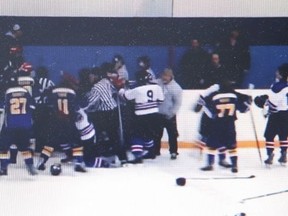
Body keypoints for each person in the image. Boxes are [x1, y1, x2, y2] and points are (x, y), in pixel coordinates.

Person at [197, 79, 251, 173]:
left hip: (217, 124)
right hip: (230, 125)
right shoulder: (234, 96)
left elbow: (209, 110)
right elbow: (244, 109)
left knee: (211, 144)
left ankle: (210, 164)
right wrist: (248, 104)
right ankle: (234, 165)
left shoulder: (214, 96)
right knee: (232, 146)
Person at [81, 62, 127, 163]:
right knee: (114, 135)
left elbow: (90, 103)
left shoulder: (96, 87)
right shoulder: (106, 81)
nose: (90, 77)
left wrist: (82, 109)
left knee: (97, 133)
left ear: (96, 76)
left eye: (91, 75)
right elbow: (114, 90)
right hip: (113, 111)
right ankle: (121, 156)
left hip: (106, 114)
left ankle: (96, 154)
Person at [37, 78, 86, 172]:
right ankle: (79, 163)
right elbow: (77, 107)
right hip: (69, 121)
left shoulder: (53, 93)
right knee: (76, 142)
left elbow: (47, 103)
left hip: (56, 121)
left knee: (50, 144)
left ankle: (41, 162)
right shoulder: (72, 93)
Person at [119, 70, 164, 163]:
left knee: (137, 135)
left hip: (141, 116)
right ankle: (151, 152)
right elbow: (160, 100)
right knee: (149, 134)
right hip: (154, 115)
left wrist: (121, 89)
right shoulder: (157, 87)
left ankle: (137, 155)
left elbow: (125, 96)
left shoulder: (137, 90)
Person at [0, 78, 37, 176]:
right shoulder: (25, 91)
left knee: (3, 148)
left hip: (10, 124)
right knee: (25, 147)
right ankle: (30, 166)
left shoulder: (7, 93)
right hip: (25, 124)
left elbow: (2, 108)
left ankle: (3, 168)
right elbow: (33, 107)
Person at [254, 63, 288, 166]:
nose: (276, 73)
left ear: (281, 74)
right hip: (286, 114)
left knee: (269, 135)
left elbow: (273, 105)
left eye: (278, 72)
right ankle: (283, 154)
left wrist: (264, 104)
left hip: (276, 114)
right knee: (283, 135)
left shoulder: (276, 86)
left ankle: (270, 155)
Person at [154, 68, 182, 159]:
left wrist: (172, 113)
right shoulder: (158, 83)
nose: (164, 77)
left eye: (166, 76)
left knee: (172, 134)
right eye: (163, 75)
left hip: (170, 115)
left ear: (171, 76)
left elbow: (178, 103)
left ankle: (173, 151)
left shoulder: (176, 88)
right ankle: (156, 150)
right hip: (158, 114)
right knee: (157, 134)